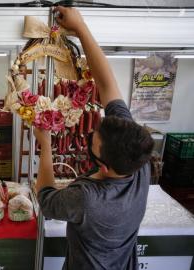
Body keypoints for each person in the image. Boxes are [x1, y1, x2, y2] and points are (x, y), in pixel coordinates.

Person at [34, 6, 154, 270]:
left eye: (93, 141)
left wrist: (44, 143)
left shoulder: (87, 198)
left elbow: (45, 197)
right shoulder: (138, 162)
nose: (91, 133)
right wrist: (80, 27)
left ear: (104, 166)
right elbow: (107, 84)